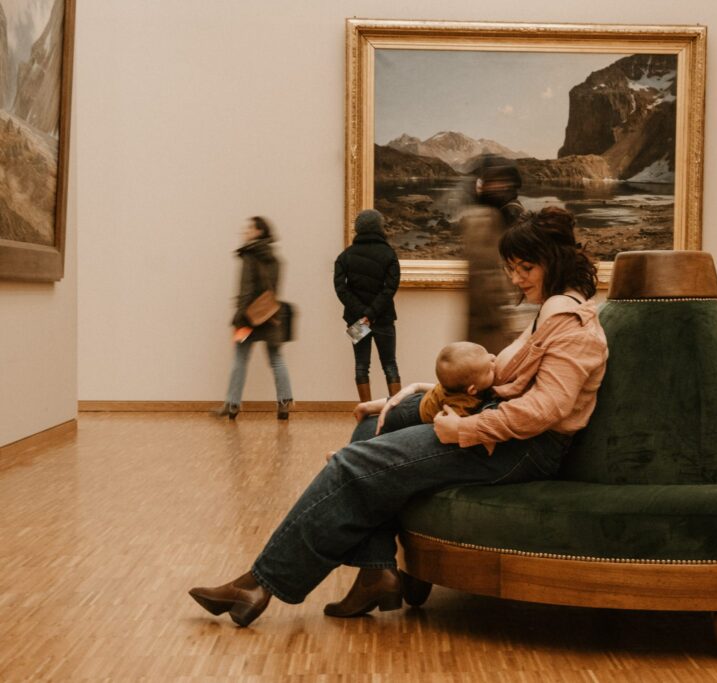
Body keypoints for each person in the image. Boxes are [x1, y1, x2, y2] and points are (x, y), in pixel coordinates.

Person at [189, 206, 607, 627]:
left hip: (520, 447)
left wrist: (464, 428)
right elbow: (500, 373)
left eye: (525, 268)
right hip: (498, 421)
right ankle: (376, 571)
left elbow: (544, 409)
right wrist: (422, 391)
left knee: (353, 464)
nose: (516, 279)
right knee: (373, 423)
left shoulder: (571, 323)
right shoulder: (553, 310)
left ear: (554, 261)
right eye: (512, 268)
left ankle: (259, 583)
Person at [212, 216, 294, 420]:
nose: (245, 231)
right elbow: (273, 289)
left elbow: (246, 289)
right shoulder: (275, 258)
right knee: (276, 360)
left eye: (249, 228)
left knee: (240, 359)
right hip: (270, 315)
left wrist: (239, 318)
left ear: (259, 231)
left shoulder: (249, 255)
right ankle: (284, 403)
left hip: (249, 317)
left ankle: (232, 404)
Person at [462, 157, 532, 354]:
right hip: (493, 322)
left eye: (501, 182)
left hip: (497, 322)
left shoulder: (502, 215)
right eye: (493, 182)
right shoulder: (487, 219)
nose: (497, 188)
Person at [353, 340, 497, 434]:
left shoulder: (455, 385)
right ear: (472, 390)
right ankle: (365, 411)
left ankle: (367, 406)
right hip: (413, 415)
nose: (494, 364)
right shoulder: (461, 404)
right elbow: (450, 424)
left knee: (397, 402)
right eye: (489, 370)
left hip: (419, 399)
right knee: (387, 423)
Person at [334, 209, 402, 402]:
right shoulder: (389, 254)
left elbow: (341, 289)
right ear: (379, 227)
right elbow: (390, 288)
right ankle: (396, 410)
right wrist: (372, 314)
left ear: (358, 228)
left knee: (361, 366)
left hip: (357, 320)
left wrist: (363, 315)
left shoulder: (345, 255)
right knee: (390, 365)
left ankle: (365, 410)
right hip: (383, 318)